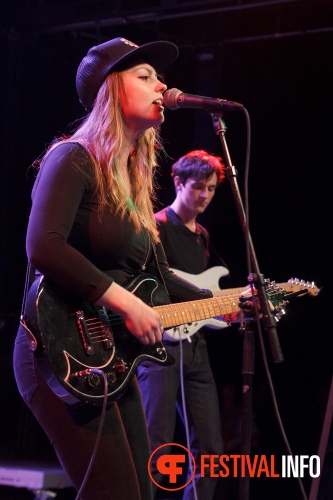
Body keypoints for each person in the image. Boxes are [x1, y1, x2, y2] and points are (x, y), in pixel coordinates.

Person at [13, 38, 218, 500]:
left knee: (138, 493)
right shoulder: (72, 157)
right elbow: (42, 246)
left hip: (111, 358)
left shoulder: (133, 183)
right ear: (110, 91)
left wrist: (225, 305)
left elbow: (161, 280)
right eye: (145, 76)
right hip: (56, 352)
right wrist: (125, 301)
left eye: (157, 77)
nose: (162, 85)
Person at [137, 149, 230, 499]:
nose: (205, 195)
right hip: (160, 348)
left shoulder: (203, 236)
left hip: (197, 351)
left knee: (210, 448)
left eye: (211, 188)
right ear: (178, 182)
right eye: (198, 187)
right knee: (154, 444)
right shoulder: (156, 226)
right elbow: (147, 283)